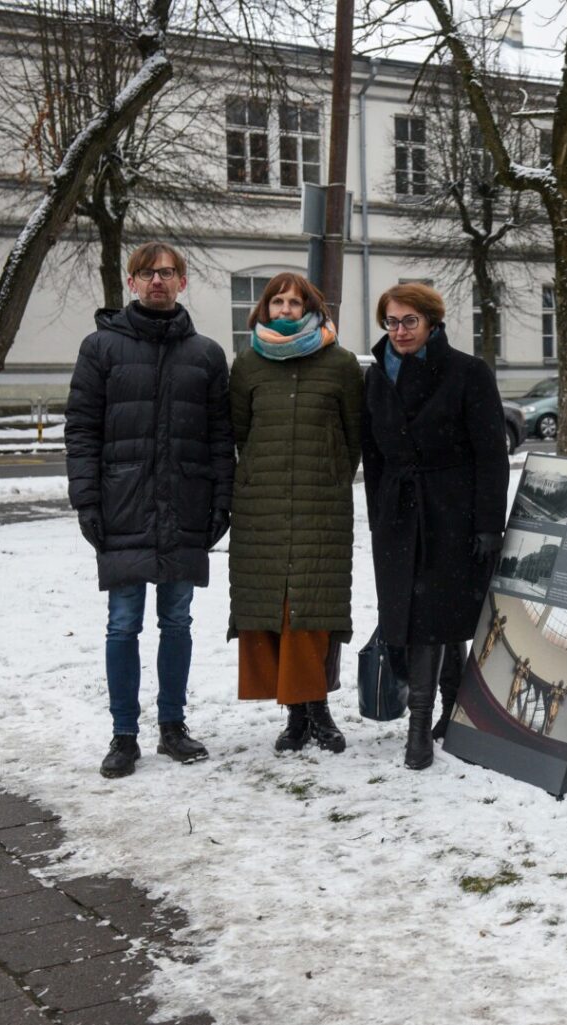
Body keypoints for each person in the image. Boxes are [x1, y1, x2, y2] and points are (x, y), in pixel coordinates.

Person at [65, 241, 235, 779]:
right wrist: (86, 500)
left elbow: (220, 438)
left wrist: (221, 500)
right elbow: (82, 431)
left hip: (184, 504)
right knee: (122, 624)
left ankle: (172, 726)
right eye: (147, 273)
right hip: (123, 505)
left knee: (178, 621)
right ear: (131, 282)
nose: (157, 281)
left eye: (167, 273)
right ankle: (123, 735)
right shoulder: (100, 348)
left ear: (183, 282)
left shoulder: (206, 355)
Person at [361, 283, 509, 769]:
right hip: (398, 514)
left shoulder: (467, 373)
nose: (400, 331)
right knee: (425, 616)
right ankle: (451, 709)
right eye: (392, 321)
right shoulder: (377, 376)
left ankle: (419, 728)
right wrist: (379, 514)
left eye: (409, 321)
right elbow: (374, 453)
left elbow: (492, 454)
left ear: (431, 323)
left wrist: (488, 522)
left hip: (451, 512)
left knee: (431, 616)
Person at [228, 273, 362, 753]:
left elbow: (353, 436)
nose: (285, 310)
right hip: (261, 503)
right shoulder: (246, 365)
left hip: (319, 503)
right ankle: (295, 715)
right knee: (274, 607)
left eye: (295, 302)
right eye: (277, 301)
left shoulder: (341, 363)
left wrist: (327, 474)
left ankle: (318, 708)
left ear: (312, 308)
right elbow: (242, 433)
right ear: (264, 308)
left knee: (311, 608)